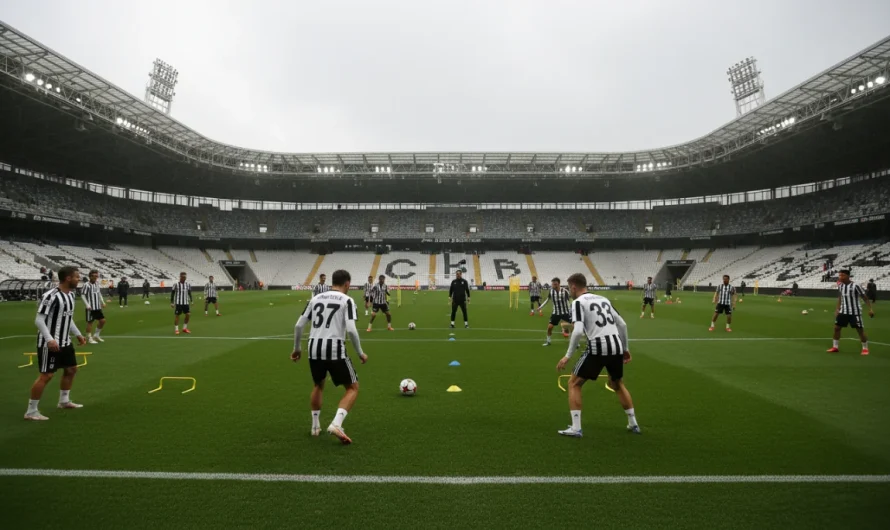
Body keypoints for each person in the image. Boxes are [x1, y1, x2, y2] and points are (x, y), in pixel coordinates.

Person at [556, 272, 640, 437]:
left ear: (573, 287)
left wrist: (567, 355)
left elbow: (578, 330)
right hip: (616, 344)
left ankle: (576, 428)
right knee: (617, 384)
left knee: (574, 383)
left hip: (598, 345)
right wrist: (625, 348)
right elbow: (622, 324)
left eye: (569, 288)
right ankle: (633, 424)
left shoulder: (578, 302)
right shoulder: (603, 299)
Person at [292, 269, 368, 444]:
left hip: (313, 348)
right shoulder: (347, 300)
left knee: (318, 384)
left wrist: (297, 349)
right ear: (347, 284)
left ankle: (315, 427)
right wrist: (360, 353)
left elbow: (298, 326)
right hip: (333, 348)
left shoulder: (315, 298)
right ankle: (336, 424)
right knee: (353, 388)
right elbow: (351, 330)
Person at [25, 266, 88, 421]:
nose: (78, 279)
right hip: (50, 343)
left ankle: (64, 401)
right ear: (68, 278)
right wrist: (49, 339)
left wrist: (78, 334)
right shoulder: (51, 296)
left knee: (71, 369)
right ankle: (31, 411)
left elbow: (67, 318)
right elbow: (39, 320)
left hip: (65, 342)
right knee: (47, 375)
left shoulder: (71, 295)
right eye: (76, 277)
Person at [828, 270, 874, 355]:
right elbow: (840, 297)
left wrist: (870, 309)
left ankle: (865, 348)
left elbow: (865, 297)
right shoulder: (840, 285)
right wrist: (837, 309)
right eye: (839, 275)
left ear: (848, 276)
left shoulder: (856, 285)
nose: (840, 277)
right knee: (836, 328)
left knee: (859, 330)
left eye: (842, 275)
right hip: (843, 311)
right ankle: (835, 347)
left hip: (855, 312)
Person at [538, 277, 572, 346]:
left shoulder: (565, 291)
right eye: (553, 284)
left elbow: (569, 301)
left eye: (555, 284)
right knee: (550, 327)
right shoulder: (551, 291)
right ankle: (548, 341)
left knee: (573, 327)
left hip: (565, 312)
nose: (553, 285)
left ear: (559, 284)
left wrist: (571, 310)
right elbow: (547, 300)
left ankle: (575, 343)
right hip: (555, 313)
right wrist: (540, 307)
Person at [81, 270, 106, 344]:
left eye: (97, 276)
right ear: (90, 276)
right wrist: (87, 305)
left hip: (97, 306)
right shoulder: (86, 285)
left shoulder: (97, 284)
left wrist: (103, 302)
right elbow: (82, 295)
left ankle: (96, 335)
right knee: (90, 322)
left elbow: (99, 293)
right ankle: (89, 338)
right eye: (94, 276)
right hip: (90, 307)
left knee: (102, 321)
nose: (96, 277)